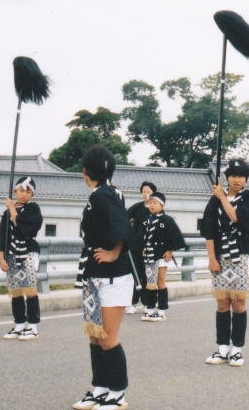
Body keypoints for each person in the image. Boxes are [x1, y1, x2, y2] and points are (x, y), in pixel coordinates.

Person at [72, 145, 133, 410]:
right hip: (95, 275)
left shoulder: (104, 194)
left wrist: (114, 252)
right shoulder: (106, 192)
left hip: (112, 276)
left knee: (108, 336)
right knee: (95, 335)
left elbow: (124, 226)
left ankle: (117, 393)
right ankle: (100, 388)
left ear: (85, 172)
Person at [201, 159, 249, 367]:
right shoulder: (215, 199)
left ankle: (237, 349)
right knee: (221, 303)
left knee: (238, 303)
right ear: (226, 178)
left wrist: (222, 197)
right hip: (220, 256)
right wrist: (211, 258)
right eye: (233, 176)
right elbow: (208, 229)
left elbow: (237, 218)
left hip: (240, 255)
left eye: (241, 176)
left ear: (246, 179)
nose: (237, 180)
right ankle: (222, 348)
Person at [0, 176, 44, 341]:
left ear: (32, 194)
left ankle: (32, 326)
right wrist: (1, 256)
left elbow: (24, 226)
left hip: (29, 252)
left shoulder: (33, 209)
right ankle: (19, 324)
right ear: (15, 191)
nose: (24, 194)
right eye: (21, 191)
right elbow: (3, 235)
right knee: (15, 291)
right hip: (12, 253)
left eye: (28, 191)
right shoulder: (7, 212)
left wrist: (12, 208)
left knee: (30, 289)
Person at [139, 191, 185, 322]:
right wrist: (143, 247)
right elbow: (142, 237)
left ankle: (161, 311)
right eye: (150, 203)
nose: (152, 206)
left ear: (162, 205)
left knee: (160, 282)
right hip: (149, 254)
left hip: (161, 254)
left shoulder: (167, 220)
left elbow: (175, 236)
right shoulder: (147, 220)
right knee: (150, 283)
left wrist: (170, 250)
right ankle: (150, 310)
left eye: (155, 203)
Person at [126, 181, 156, 315]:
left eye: (148, 192)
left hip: (149, 247)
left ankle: (146, 303)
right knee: (135, 275)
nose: (146, 194)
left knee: (146, 276)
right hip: (134, 245)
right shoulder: (137, 207)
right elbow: (124, 218)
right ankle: (133, 303)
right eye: (144, 191)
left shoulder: (155, 208)